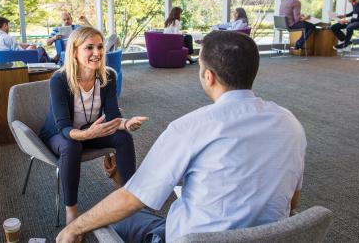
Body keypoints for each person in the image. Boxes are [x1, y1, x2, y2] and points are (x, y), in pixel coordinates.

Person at [56, 31, 307, 243]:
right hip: (270, 237)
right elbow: (292, 201)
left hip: (193, 237)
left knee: (119, 218)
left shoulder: (191, 127)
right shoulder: (290, 123)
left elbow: (133, 199)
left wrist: (74, 227)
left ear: (208, 76)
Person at [38, 26, 148, 225]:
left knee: (123, 137)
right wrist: (86, 134)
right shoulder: (59, 80)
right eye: (89, 48)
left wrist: (126, 123)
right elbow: (63, 127)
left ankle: (129, 196)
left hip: (91, 130)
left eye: (100, 47)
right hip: (60, 134)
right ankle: (71, 210)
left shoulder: (108, 76)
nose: (97, 53)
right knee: (72, 146)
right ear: (74, 52)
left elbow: (113, 115)